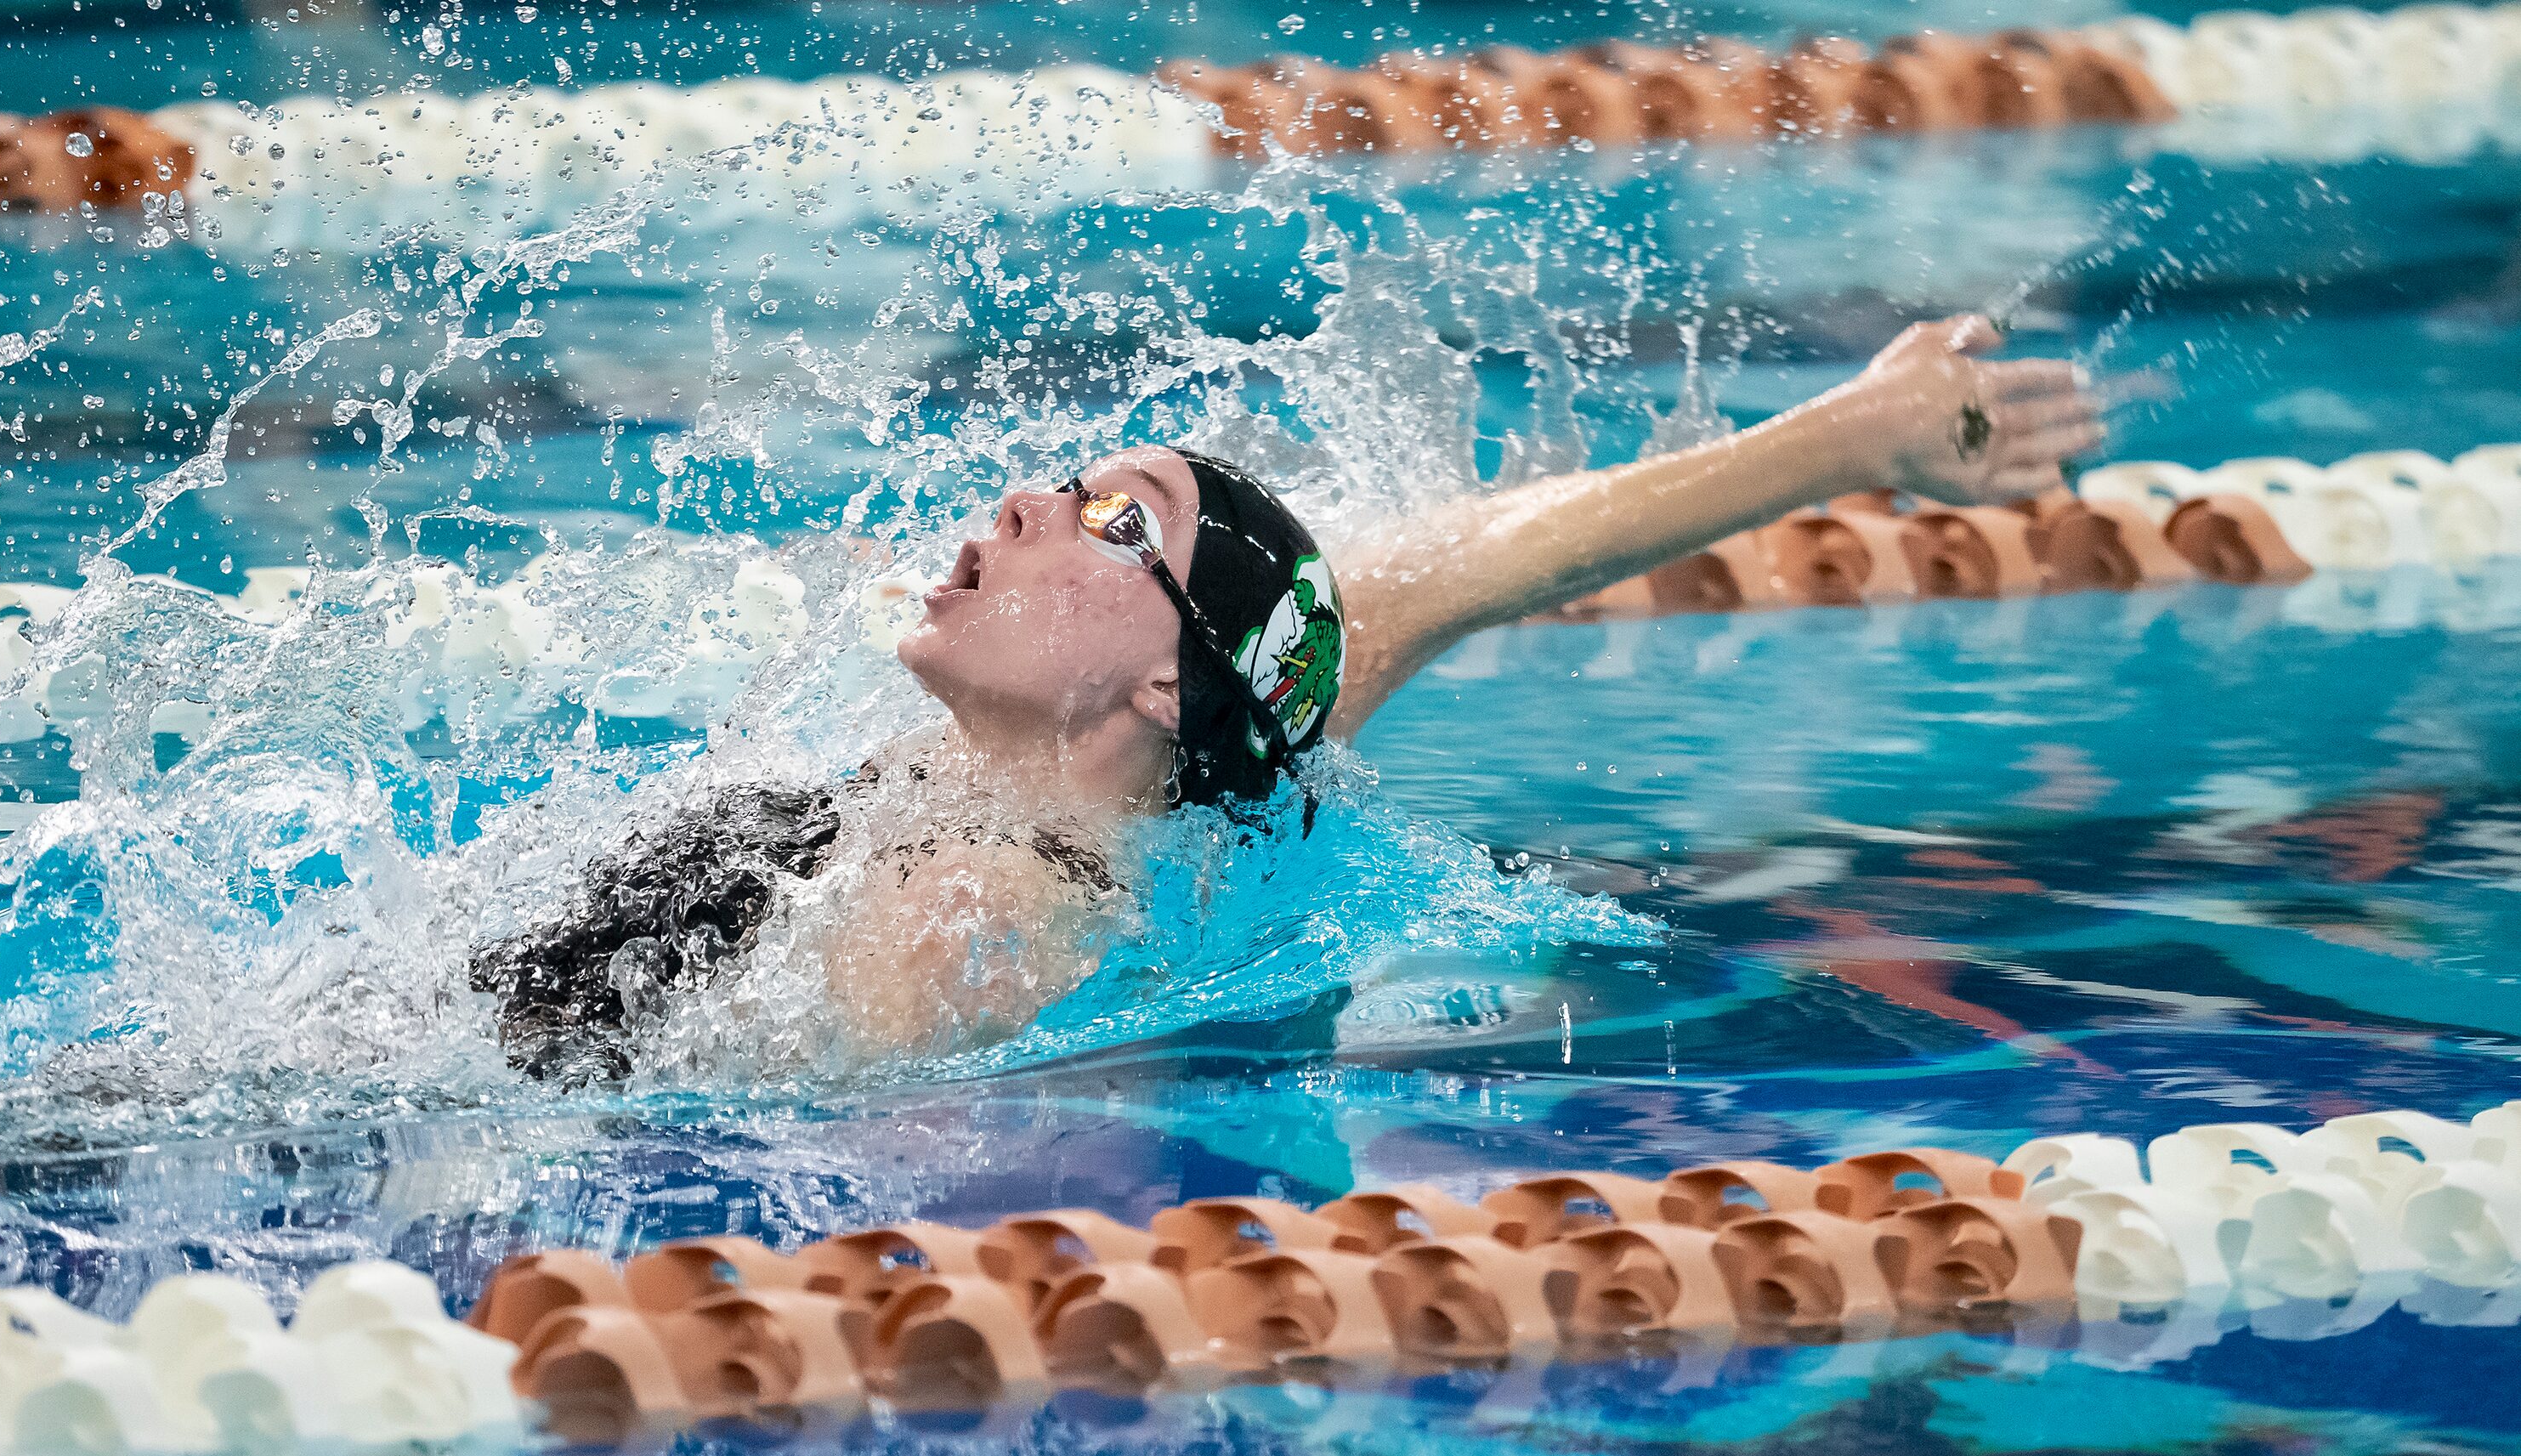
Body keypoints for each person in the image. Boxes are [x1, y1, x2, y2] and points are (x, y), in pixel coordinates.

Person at [471, 317, 2099, 1079]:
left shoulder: (978, 915)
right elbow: (1467, 565)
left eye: (1117, 523)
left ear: (1164, 690)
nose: (1036, 505)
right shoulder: (1208, 743)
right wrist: (1859, 437)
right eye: (1067, 482)